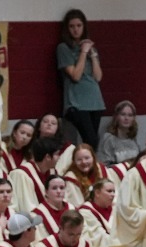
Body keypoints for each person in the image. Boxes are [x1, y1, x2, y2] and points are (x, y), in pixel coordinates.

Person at [56, 10, 104, 147]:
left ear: (84, 27)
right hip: (76, 103)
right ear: (67, 28)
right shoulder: (63, 48)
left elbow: (98, 77)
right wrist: (83, 52)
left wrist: (93, 55)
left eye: (79, 25)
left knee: (93, 142)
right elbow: (76, 76)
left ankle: (90, 166)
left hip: (95, 101)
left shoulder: (91, 48)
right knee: (90, 140)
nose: (76, 30)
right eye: (72, 26)